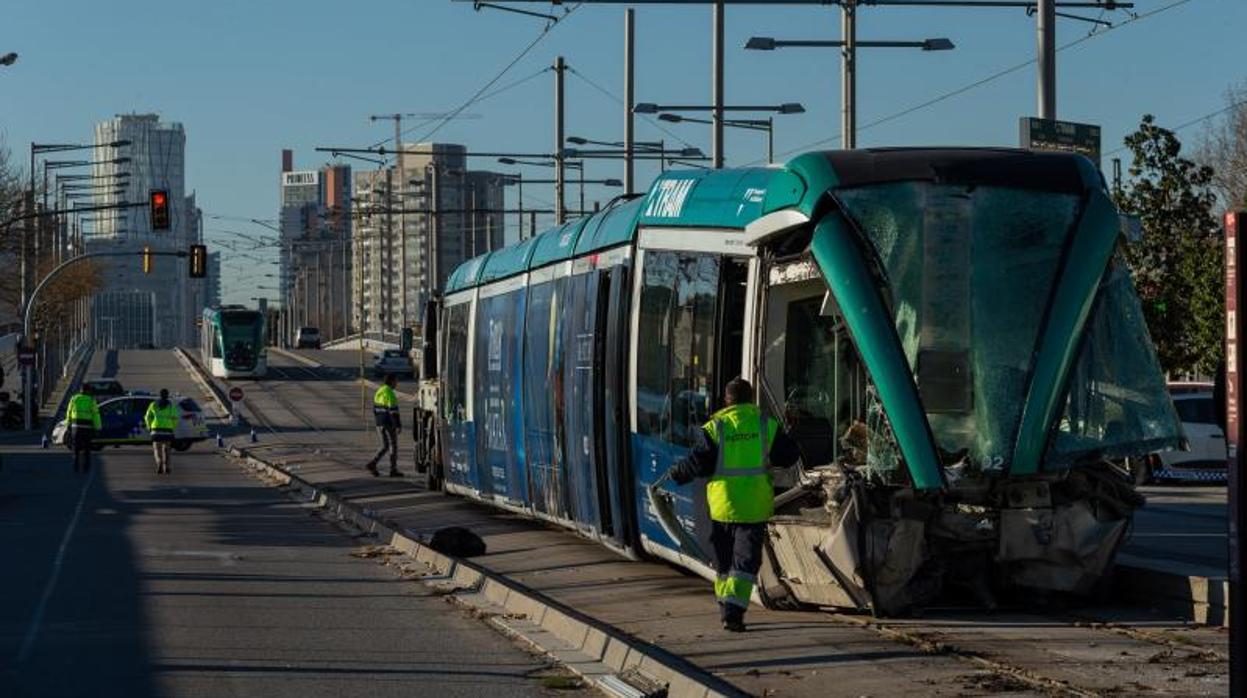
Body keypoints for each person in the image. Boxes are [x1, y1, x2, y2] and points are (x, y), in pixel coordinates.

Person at [666, 377, 800, 632]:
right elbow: (789, 457)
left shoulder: (715, 427)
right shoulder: (765, 425)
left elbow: (699, 463)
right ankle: (733, 612)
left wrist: (677, 473)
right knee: (745, 563)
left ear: (727, 400)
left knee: (724, 563)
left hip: (722, 507)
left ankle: (725, 607)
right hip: (753, 507)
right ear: (751, 399)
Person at [365, 373, 403, 477]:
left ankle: (373, 463)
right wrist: (398, 425)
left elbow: (375, 409)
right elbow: (393, 411)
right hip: (388, 423)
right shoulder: (390, 393)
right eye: (396, 380)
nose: (397, 383)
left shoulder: (379, 391)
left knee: (384, 446)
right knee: (393, 446)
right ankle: (393, 470)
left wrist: (378, 421)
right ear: (391, 381)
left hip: (379, 423)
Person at [65, 383, 101, 474]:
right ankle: (86, 466)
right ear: (88, 391)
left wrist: (68, 425)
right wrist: (98, 428)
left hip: (75, 427)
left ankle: (75, 465)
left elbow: (68, 412)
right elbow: (95, 415)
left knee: (76, 448)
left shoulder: (74, 399)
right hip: (87, 428)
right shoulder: (91, 400)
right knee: (87, 448)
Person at [145, 389, 179, 475]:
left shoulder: (153, 405)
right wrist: (172, 426)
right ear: (167, 395)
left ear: (159, 395)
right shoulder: (171, 406)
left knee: (157, 449)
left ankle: (159, 462)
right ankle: (166, 466)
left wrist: (149, 426)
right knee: (167, 450)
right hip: (168, 430)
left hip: (156, 430)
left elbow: (147, 417)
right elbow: (175, 418)